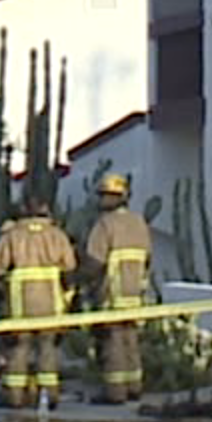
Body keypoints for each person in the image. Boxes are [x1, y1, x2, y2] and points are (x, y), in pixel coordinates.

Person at [0, 193, 76, 409]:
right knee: (47, 347)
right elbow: (70, 266)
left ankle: (14, 397)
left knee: (19, 348)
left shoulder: (11, 235)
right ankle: (49, 395)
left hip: (19, 303)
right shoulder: (57, 235)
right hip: (51, 303)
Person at [81, 173, 153, 403]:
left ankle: (115, 392)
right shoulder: (139, 222)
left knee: (113, 343)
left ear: (116, 197)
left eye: (105, 196)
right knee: (131, 340)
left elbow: (95, 261)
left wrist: (78, 280)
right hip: (135, 294)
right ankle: (134, 387)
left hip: (111, 293)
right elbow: (148, 258)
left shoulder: (105, 224)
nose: (101, 200)